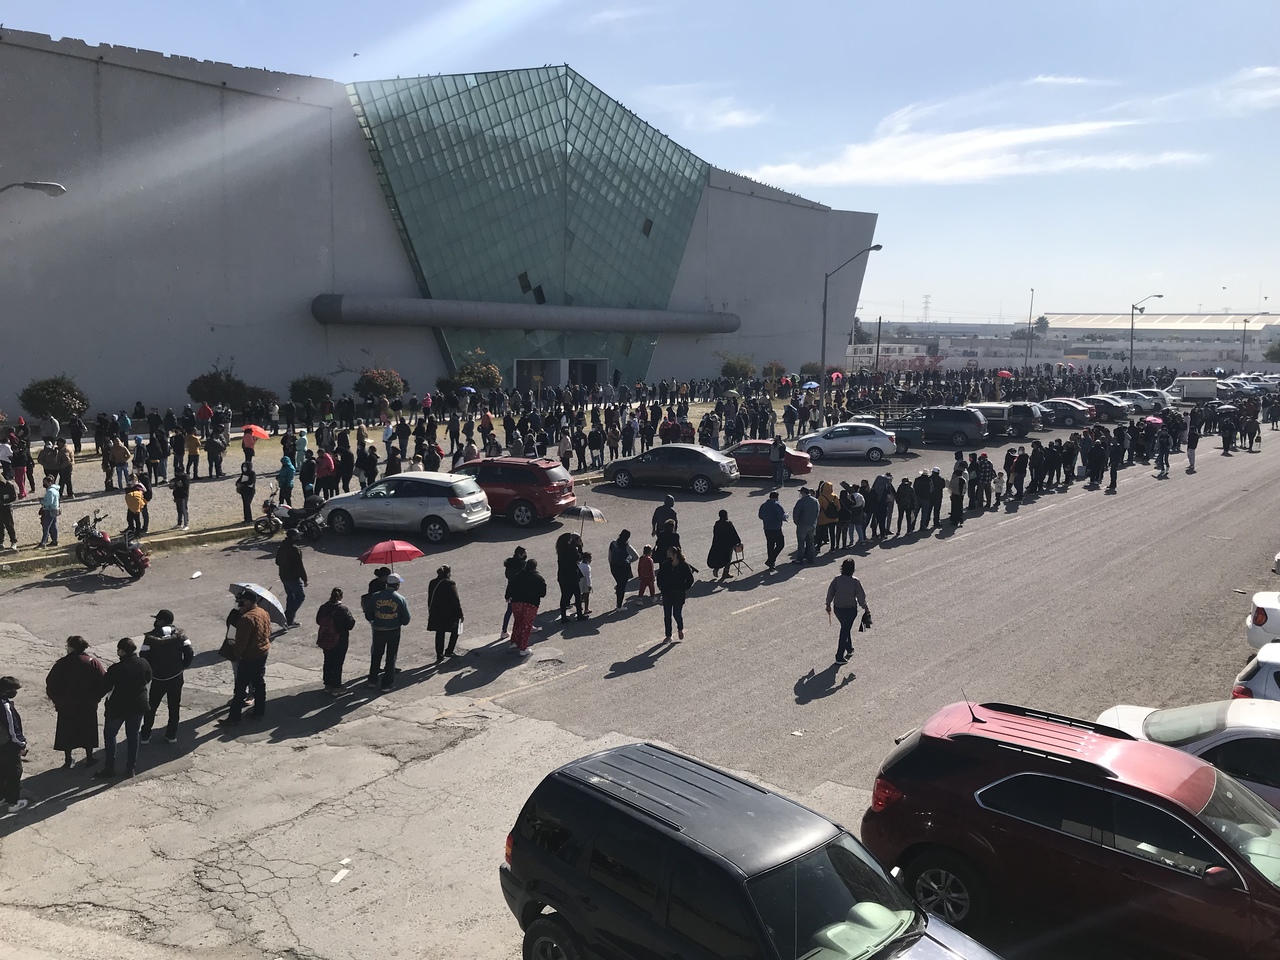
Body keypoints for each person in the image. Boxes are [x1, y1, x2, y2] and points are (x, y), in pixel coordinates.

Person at [44, 636, 106, 767]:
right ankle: (89, 758)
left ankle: (68, 759)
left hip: (67, 705)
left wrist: (57, 700)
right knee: (88, 730)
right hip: (87, 705)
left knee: (67, 731)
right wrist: (96, 698)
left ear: (71, 647)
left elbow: (51, 683)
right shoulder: (93, 662)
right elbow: (103, 682)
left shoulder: (62, 663)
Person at [95, 637, 152, 779]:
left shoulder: (116, 669)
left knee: (110, 735)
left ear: (122, 651)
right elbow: (148, 678)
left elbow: (104, 687)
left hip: (117, 708)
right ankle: (130, 768)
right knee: (133, 736)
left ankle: (109, 768)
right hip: (138, 706)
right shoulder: (143, 663)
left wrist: (94, 699)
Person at [139, 610, 193, 744]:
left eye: (157, 619)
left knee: (151, 706)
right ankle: (171, 735)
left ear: (162, 621)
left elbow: (143, 656)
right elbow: (190, 652)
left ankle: (145, 735)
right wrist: (183, 666)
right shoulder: (181, 635)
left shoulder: (150, 637)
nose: (156, 621)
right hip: (176, 677)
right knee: (174, 707)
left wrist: (150, 671)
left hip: (158, 678)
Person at [219, 592, 272, 725]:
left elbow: (241, 642)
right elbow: (269, 631)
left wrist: (237, 654)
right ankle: (259, 711)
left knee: (240, 686)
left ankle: (234, 717)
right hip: (263, 652)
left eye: (242, 601)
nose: (239, 603)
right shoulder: (263, 612)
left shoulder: (246, 619)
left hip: (250, 656)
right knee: (259, 683)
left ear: (248, 601)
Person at [366, 572, 411, 690]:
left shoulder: (375, 596)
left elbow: (368, 614)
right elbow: (406, 619)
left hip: (378, 629)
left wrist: (375, 620)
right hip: (393, 630)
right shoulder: (401, 599)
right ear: (396, 585)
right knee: (391, 656)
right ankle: (386, 683)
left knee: (376, 654)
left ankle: (372, 679)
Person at [825, 558, 869, 664]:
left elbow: (830, 592)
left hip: (838, 609)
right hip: (850, 610)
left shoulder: (836, 580)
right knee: (845, 630)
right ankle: (839, 656)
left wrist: (828, 604)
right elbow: (861, 597)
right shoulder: (855, 581)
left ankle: (849, 649)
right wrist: (865, 607)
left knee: (845, 627)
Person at [315, 587, 357, 695]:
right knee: (338, 662)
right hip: (340, 639)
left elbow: (318, 620)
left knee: (328, 660)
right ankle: (336, 685)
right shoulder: (343, 609)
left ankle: (327, 684)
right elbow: (350, 624)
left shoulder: (323, 607)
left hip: (326, 639)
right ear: (341, 596)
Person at [508, 558, 546, 657]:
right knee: (526, 625)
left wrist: (508, 596)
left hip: (517, 602)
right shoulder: (538, 578)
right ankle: (523, 648)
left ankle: (514, 642)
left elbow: (510, 586)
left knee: (518, 622)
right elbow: (543, 593)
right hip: (531, 603)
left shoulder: (518, 576)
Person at [656, 546, 696, 642]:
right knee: (667, 615)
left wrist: (683, 588)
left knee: (676, 614)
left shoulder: (684, 566)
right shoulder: (666, 564)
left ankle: (680, 628)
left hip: (678, 594)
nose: (667, 555)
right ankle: (668, 635)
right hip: (667, 593)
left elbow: (690, 579)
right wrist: (661, 588)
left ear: (674, 554)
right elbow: (659, 577)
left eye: (669, 553)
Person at [0, 676, 27, 812]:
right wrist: (21, 744)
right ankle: (14, 802)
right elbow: (13, 729)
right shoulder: (5, 707)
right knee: (15, 772)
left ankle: (2, 797)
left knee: (2, 772)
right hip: (8, 747)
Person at [427, 565, 464, 663]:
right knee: (457, 629)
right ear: (448, 573)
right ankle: (449, 650)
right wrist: (460, 614)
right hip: (448, 613)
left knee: (439, 633)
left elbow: (430, 598)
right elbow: (455, 600)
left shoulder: (432, 582)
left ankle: (439, 655)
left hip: (436, 612)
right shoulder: (450, 583)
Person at [275, 529, 308, 627]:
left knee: (291, 596)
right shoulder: (294, 549)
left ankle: (289, 621)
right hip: (293, 578)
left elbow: (277, 561)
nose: (299, 537)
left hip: (283, 576)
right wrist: (305, 579)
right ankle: (288, 617)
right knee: (300, 596)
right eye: (297, 536)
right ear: (293, 537)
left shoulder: (282, 546)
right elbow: (299, 566)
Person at [498, 547, 527, 640]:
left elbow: (508, 577)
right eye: (524, 553)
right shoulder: (521, 566)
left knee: (509, 611)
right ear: (519, 554)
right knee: (524, 610)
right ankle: (526, 627)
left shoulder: (509, 565)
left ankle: (504, 630)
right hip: (521, 591)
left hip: (511, 590)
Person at [706, 509, 741, 582]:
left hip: (718, 543)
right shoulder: (728, 523)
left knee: (719, 557)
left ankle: (717, 568)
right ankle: (726, 572)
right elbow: (733, 533)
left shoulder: (717, 523)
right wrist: (738, 541)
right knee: (728, 559)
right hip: (727, 545)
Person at [757, 490, 787, 570]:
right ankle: (771, 560)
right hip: (776, 528)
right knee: (780, 544)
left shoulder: (764, 505)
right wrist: (785, 517)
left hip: (767, 528)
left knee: (770, 545)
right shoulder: (777, 505)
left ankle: (771, 562)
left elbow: (760, 516)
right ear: (777, 497)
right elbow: (781, 516)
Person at [608, 531, 637, 609]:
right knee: (622, 587)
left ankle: (619, 603)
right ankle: (619, 606)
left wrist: (611, 564)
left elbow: (610, 556)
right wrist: (629, 561)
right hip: (623, 568)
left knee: (619, 584)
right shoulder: (627, 546)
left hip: (614, 567)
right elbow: (636, 556)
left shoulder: (613, 544)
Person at [792, 486, 819, 563]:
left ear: (803, 493)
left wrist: (797, 522)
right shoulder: (815, 501)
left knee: (801, 542)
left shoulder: (801, 501)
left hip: (802, 524)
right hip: (812, 524)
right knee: (810, 542)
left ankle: (800, 558)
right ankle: (810, 558)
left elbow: (796, 514)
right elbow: (817, 512)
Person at [37, 474, 60, 548]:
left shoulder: (50, 491)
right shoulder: (55, 490)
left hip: (49, 510)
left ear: (49, 482)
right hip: (55, 509)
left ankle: (43, 543)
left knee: (46, 526)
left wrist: (42, 501)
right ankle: (55, 541)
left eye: (45, 482)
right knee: (53, 526)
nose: (44, 484)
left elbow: (49, 502)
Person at [0, 472, 17, 549]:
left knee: (9, 525)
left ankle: (13, 541)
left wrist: (4, 501)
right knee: (0, 526)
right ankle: (1, 542)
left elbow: (13, 497)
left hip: (6, 507)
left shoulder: (8, 485)